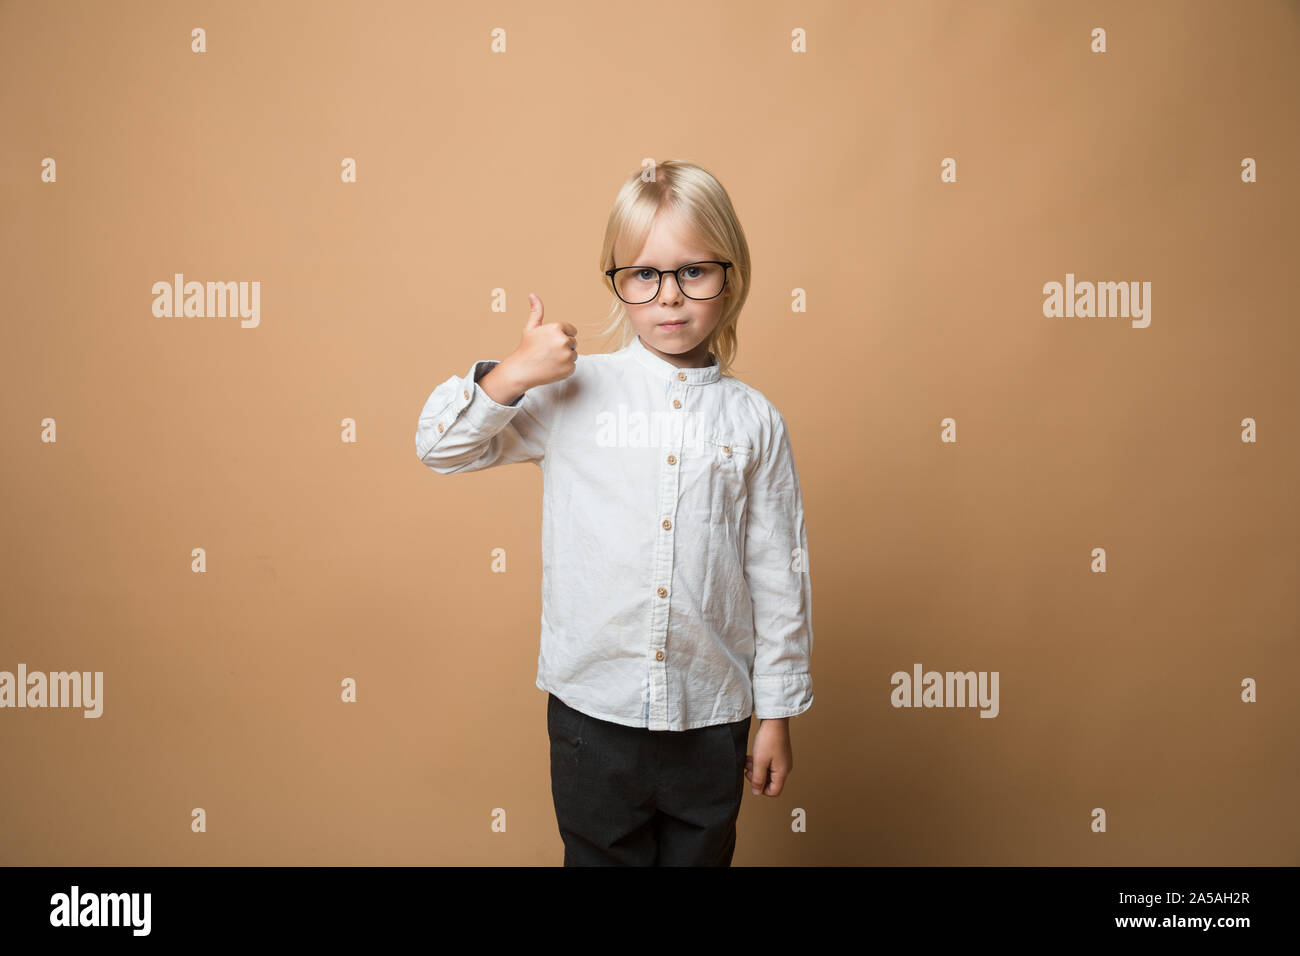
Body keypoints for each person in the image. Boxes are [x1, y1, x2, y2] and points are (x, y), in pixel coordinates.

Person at [414, 159, 813, 866]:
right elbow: (440, 448)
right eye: (644, 275)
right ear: (618, 280)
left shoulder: (756, 422)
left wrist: (776, 714)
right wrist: (510, 374)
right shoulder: (573, 392)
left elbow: (779, 577)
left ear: (732, 275)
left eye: (695, 272)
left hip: (711, 716)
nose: (670, 298)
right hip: (590, 718)